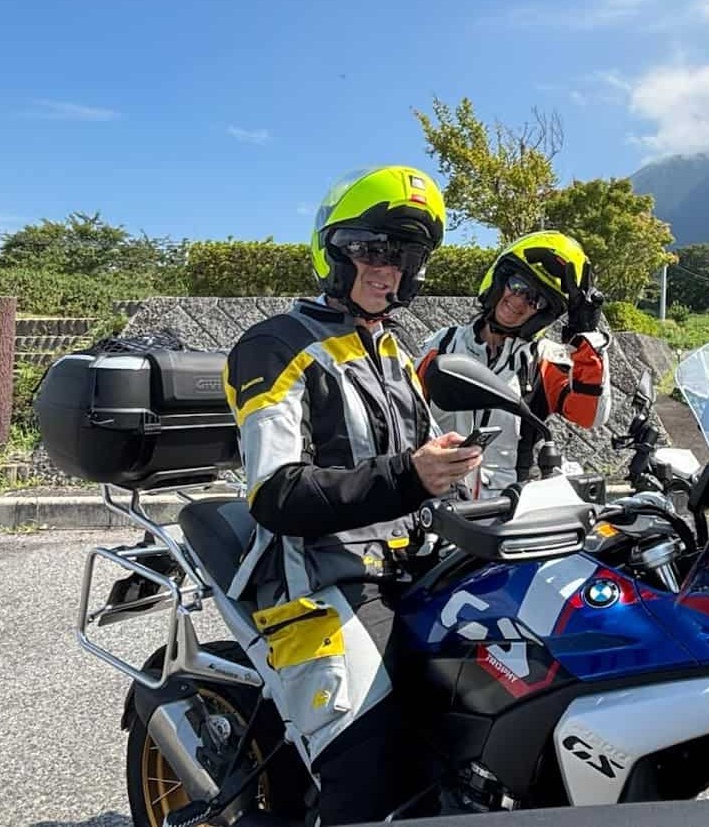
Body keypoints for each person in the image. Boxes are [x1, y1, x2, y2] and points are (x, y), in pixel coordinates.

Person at [222, 165, 482, 824]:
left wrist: (455, 471)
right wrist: (409, 476)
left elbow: (414, 459)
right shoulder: (275, 346)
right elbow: (275, 491)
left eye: (403, 255)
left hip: (408, 567)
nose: (386, 269)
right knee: (376, 768)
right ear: (333, 252)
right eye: (371, 249)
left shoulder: (390, 350)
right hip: (315, 576)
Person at [417, 231, 610, 496]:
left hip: (506, 504)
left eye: (536, 300)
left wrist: (586, 336)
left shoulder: (544, 360)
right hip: (436, 498)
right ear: (500, 280)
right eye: (517, 285)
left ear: (543, 314)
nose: (519, 301)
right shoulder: (443, 344)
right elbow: (408, 413)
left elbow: (591, 415)